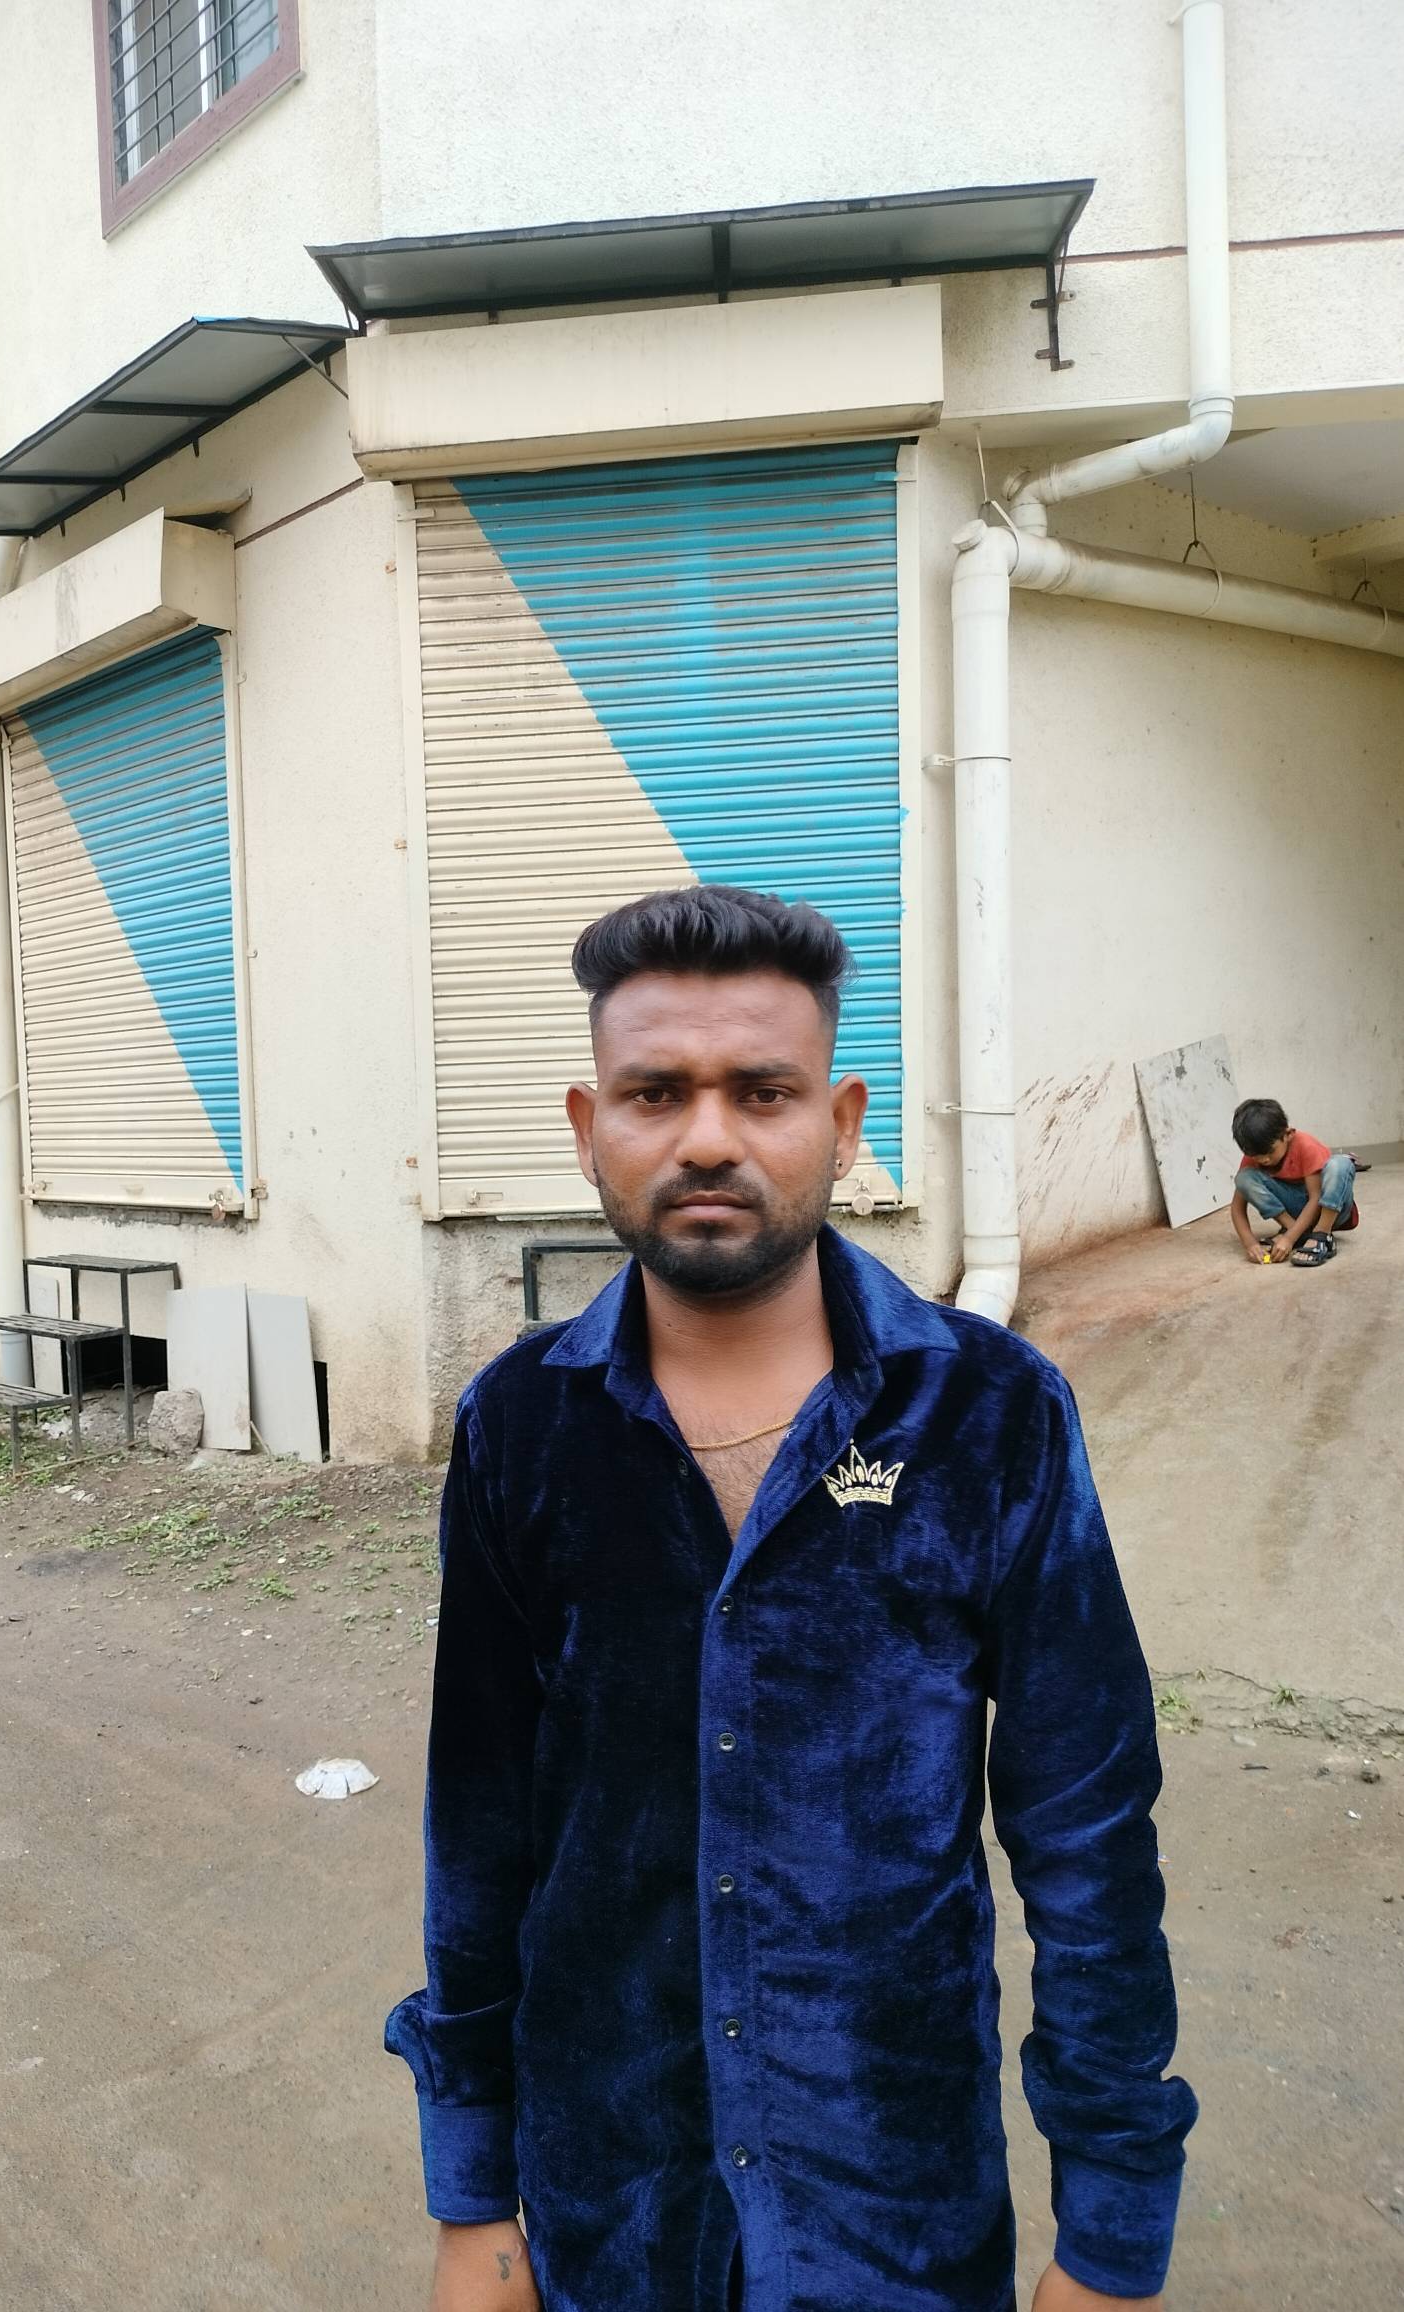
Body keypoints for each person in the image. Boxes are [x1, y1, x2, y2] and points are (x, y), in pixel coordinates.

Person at [387, 885, 1196, 2312]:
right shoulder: (521, 1424)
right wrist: (472, 2198)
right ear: (588, 1126)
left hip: (895, 2214)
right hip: (607, 2210)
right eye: (655, 1092)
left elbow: (1086, 1835)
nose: (707, 1137)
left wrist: (1111, 2234)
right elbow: (481, 1823)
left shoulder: (989, 1414)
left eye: (762, 1091)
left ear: (840, 1120)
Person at [1228, 1097, 1359, 1269]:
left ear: (1288, 1134)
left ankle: (1322, 1235)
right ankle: (1299, 1232)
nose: (1264, 1160)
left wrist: (1289, 1238)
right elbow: (1237, 1208)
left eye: (1270, 1152)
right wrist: (1250, 1244)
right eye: (1256, 1156)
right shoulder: (1254, 1155)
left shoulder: (1306, 1146)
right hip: (1296, 1216)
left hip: (1328, 1210)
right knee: (1244, 1178)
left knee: (1339, 1164)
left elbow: (1315, 1197)